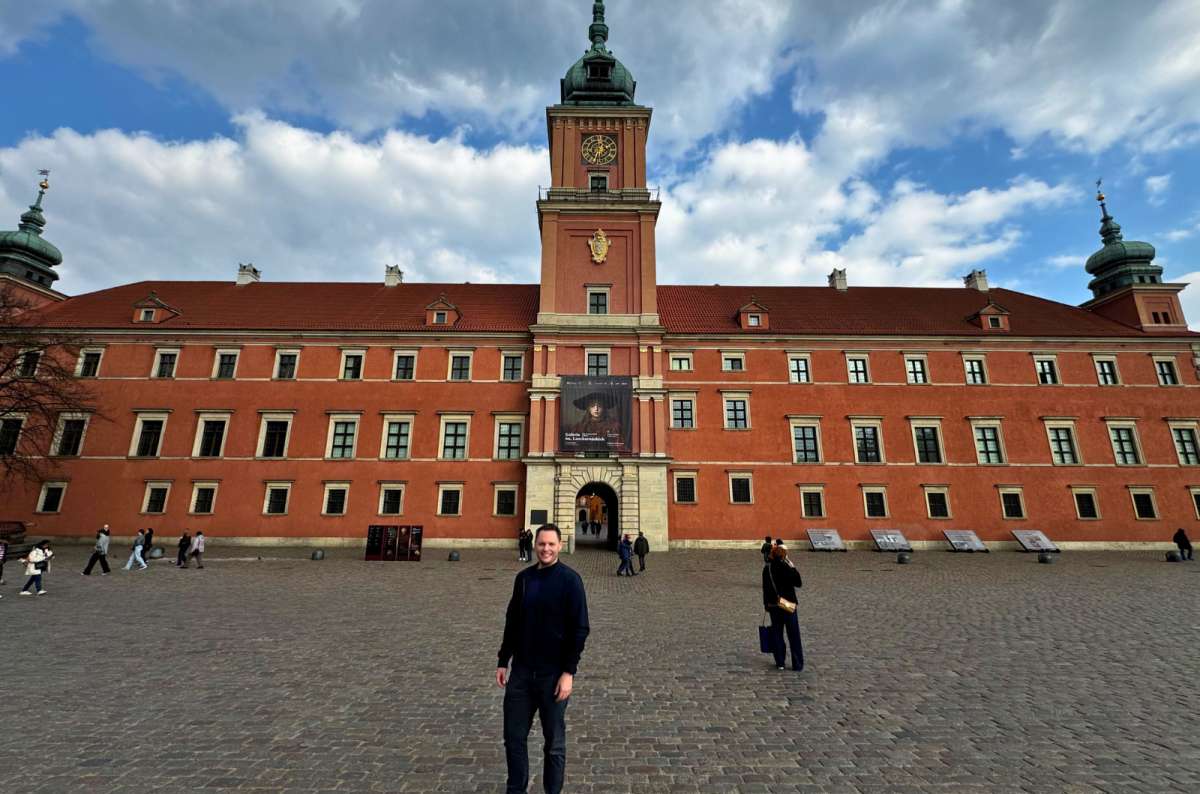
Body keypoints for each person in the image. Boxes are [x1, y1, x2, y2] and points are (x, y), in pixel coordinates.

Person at [496, 524, 589, 794]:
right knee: (513, 739)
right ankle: (516, 790)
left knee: (554, 744)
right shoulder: (523, 579)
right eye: (542, 544)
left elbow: (580, 628)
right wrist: (504, 660)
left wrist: (568, 672)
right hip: (522, 674)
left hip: (553, 675)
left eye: (551, 544)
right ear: (534, 545)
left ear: (560, 546)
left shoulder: (571, 580)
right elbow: (512, 621)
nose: (546, 549)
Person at [761, 545, 804, 671]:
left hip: (774, 605)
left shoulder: (767, 569)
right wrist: (793, 567)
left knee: (777, 634)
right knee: (794, 635)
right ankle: (797, 664)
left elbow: (765, 588)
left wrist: (766, 605)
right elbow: (798, 582)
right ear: (784, 556)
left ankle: (780, 662)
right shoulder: (786, 567)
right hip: (788, 604)